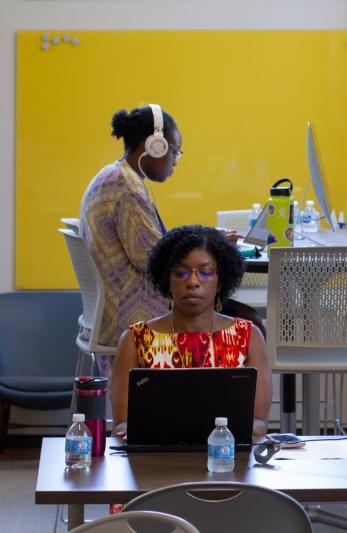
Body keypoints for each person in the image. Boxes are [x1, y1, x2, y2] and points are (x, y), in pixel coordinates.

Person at [111, 225, 271, 438]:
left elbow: (258, 424)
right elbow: (122, 425)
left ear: (221, 280)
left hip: (227, 460)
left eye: (205, 272)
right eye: (180, 273)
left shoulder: (249, 337)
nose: (193, 282)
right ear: (166, 280)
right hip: (155, 463)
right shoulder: (135, 340)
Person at [79, 104, 180, 347]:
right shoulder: (126, 188)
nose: (175, 161)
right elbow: (154, 260)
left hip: (111, 312)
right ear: (155, 146)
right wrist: (208, 248)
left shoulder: (113, 175)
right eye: (175, 151)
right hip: (132, 317)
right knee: (243, 322)